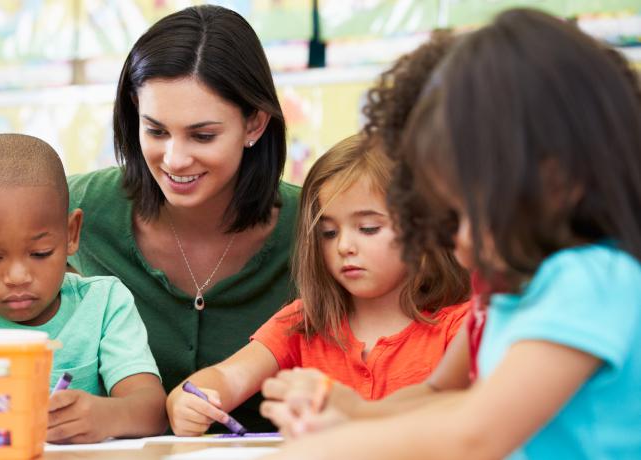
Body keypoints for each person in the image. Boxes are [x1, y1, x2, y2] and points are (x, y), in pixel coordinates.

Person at [262, 9, 641, 459]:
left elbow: (475, 434)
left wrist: (332, 447)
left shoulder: (592, 280)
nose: (457, 245)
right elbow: (444, 397)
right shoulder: (511, 292)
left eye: (464, 215)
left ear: (553, 180)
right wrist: (351, 411)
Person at [67, 5, 299, 432]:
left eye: (202, 135)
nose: (174, 159)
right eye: (155, 131)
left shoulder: (318, 225)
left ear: (255, 124)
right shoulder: (77, 207)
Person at [166, 133, 470, 436]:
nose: (344, 246)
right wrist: (187, 401)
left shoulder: (462, 327)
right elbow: (227, 378)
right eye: (328, 233)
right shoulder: (304, 321)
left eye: (368, 228)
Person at [260, 29, 475, 437]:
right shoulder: (494, 299)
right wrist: (349, 410)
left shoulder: (579, 285)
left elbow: (478, 429)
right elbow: (435, 392)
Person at [0, 134, 166, 444]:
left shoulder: (104, 303)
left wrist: (106, 416)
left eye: (40, 253)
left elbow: (153, 410)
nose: (18, 276)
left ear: (71, 233)